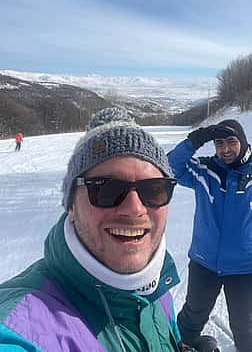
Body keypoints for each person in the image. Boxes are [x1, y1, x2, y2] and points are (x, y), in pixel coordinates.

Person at [0, 107, 183, 352]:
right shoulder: (20, 323)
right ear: (72, 206)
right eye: (106, 189)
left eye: (153, 189)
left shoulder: (157, 289)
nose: (134, 209)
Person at [168, 119, 252, 352]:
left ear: (243, 142)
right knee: (193, 314)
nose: (225, 149)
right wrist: (196, 139)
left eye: (231, 142)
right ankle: (177, 346)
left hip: (245, 269)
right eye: (218, 143)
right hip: (204, 263)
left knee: (244, 323)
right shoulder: (205, 171)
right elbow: (169, 166)